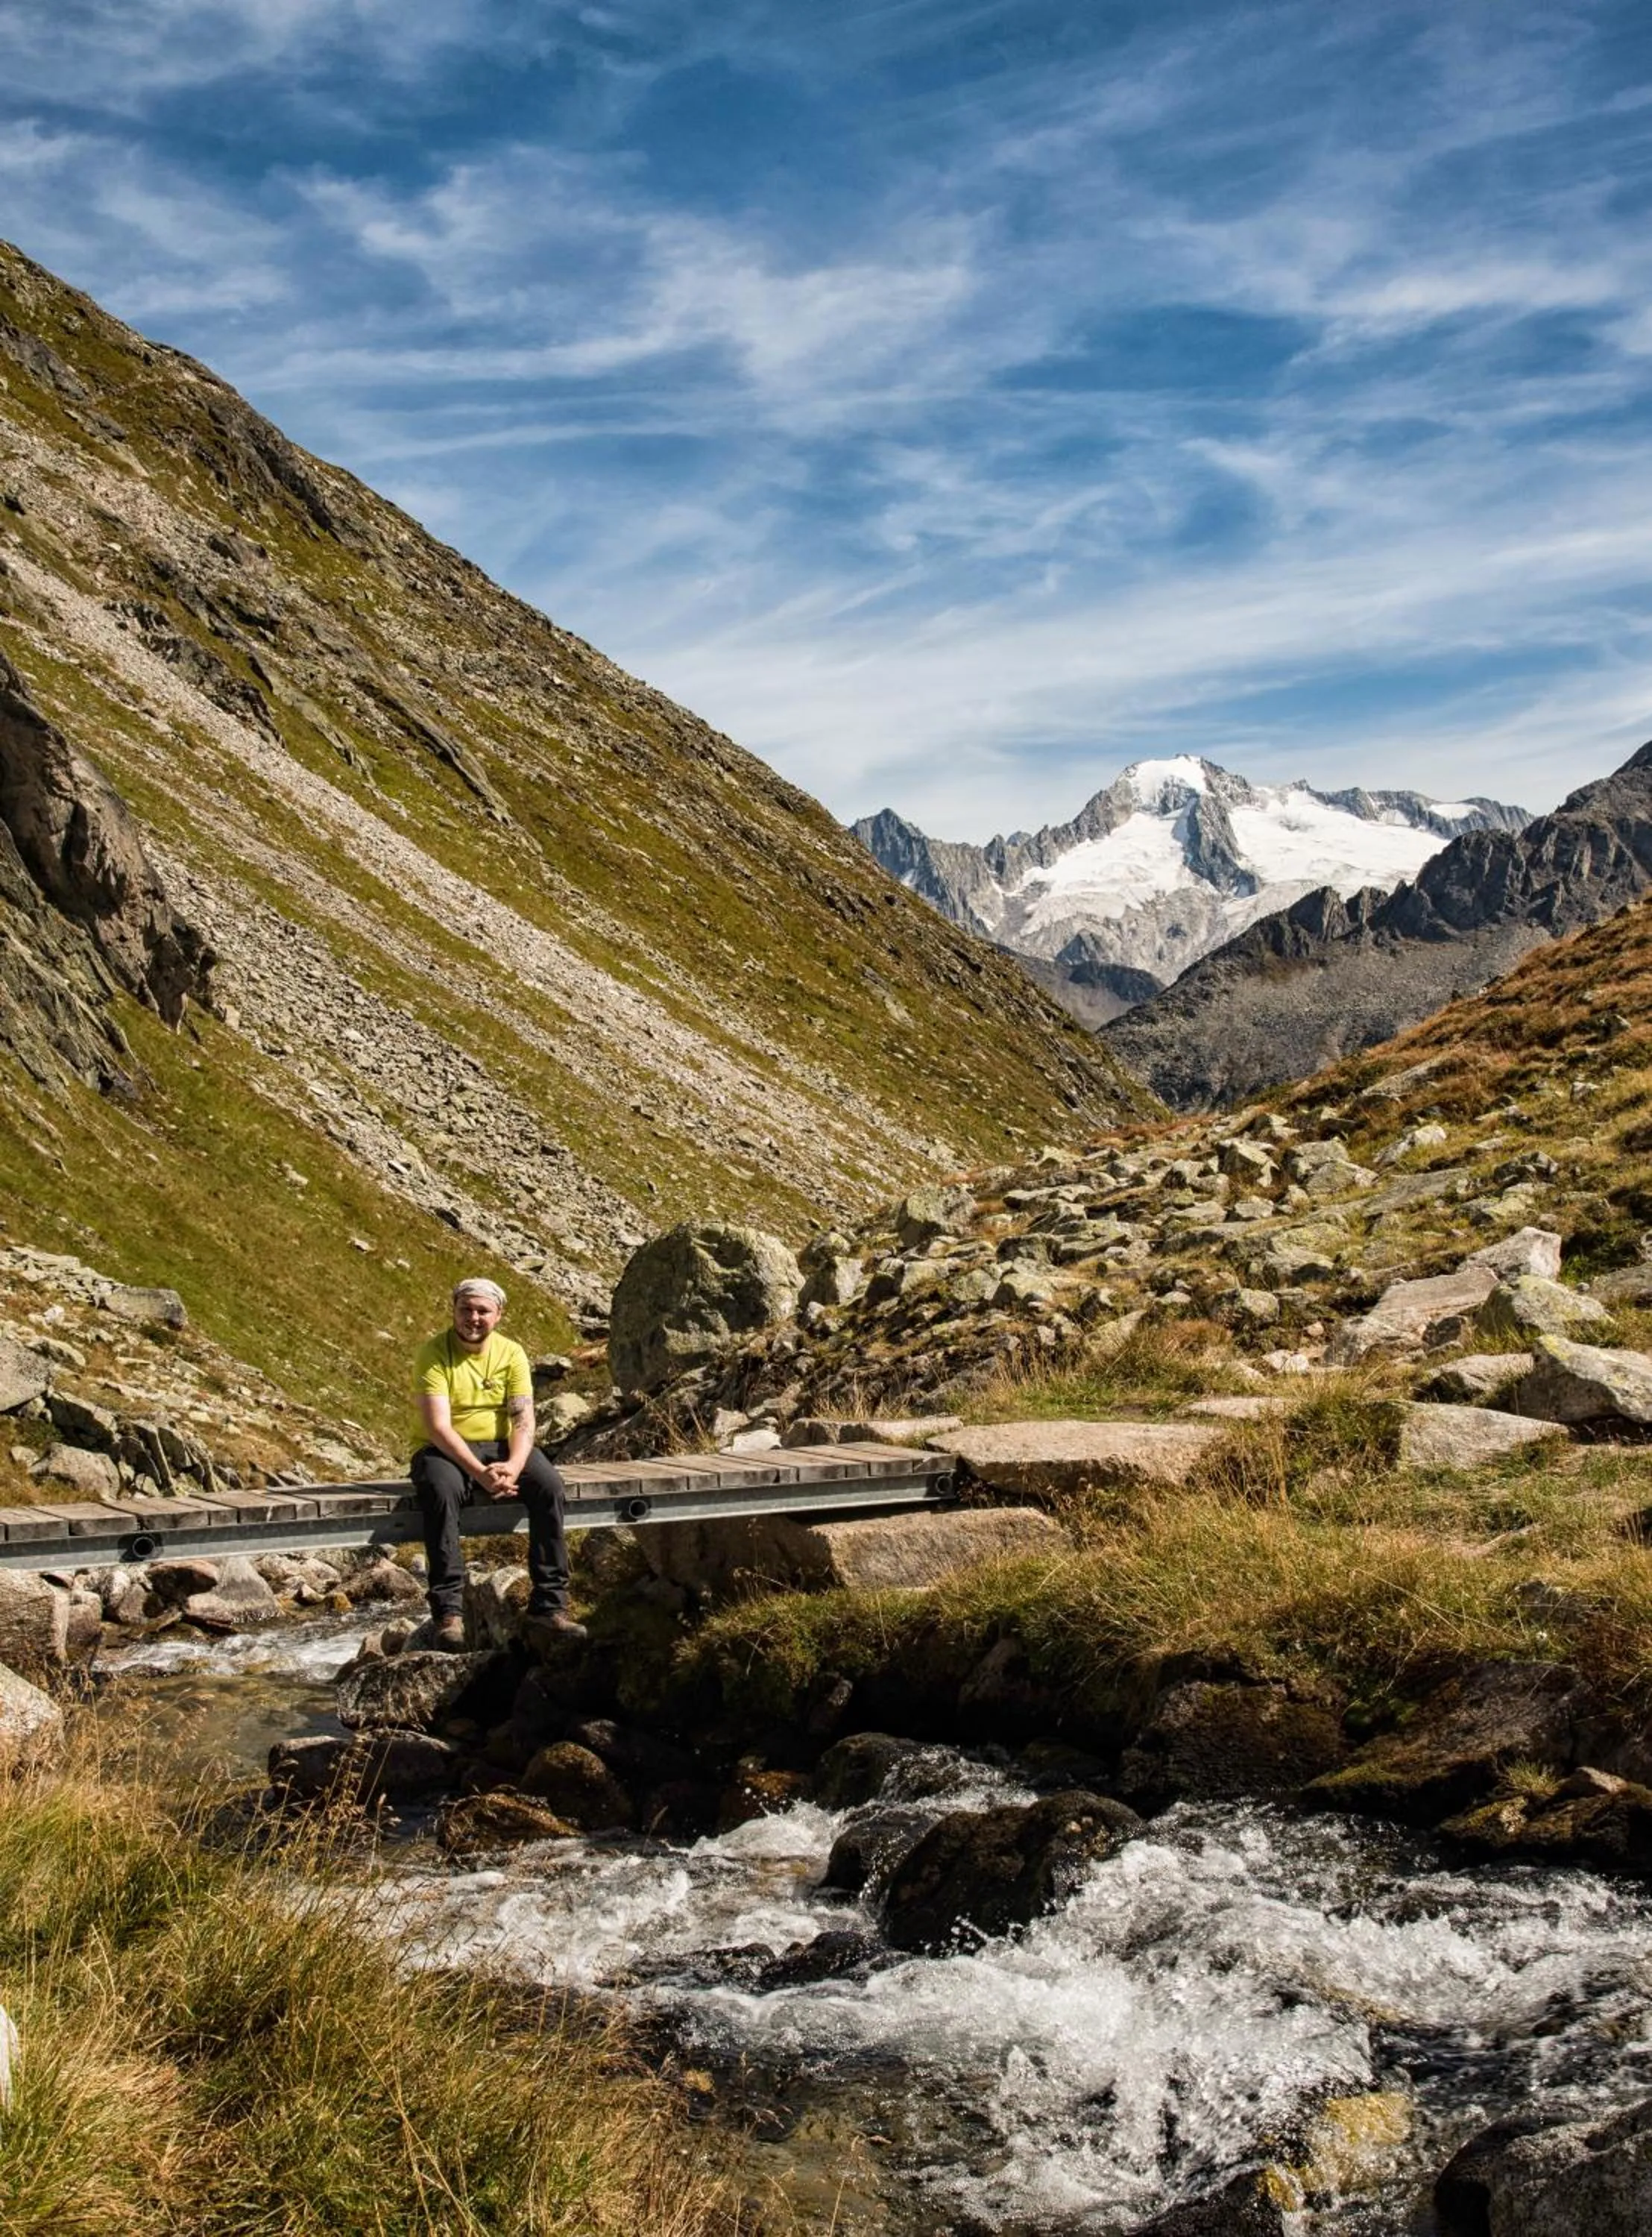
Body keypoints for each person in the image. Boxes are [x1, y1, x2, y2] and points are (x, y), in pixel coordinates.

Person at [411, 1277, 587, 1651]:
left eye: (482, 1311)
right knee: (441, 1492)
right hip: (443, 1448)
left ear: (498, 1315)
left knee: (550, 1487)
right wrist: (480, 1473)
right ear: (454, 1310)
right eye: (466, 1310)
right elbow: (438, 1426)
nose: (473, 1318)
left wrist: (514, 1464)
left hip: (502, 1446)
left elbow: (524, 1419)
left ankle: (549, 1607)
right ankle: (448, 1613)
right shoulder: (433, 1353)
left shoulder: (512, 1354)